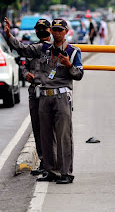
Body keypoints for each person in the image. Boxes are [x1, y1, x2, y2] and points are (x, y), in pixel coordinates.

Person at [4, 17, 84, 184]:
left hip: (62, 96)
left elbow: (79, 75)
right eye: (54, 30)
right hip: (45, 96)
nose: (56, 33)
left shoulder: (73, 51)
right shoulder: (44, 49)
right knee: (46, 136)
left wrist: (69, 65)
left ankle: (65, 173)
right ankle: (51, 170)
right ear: (51, 31)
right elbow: (23, 50)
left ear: (66, 32)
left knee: (63, 136)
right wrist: (8, 36)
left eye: (60, 30)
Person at [23, 19, 52, 176]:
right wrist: (25, 74)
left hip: (49, 92)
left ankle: (52, 164)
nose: (41, 31)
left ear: (49, 30)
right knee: (37, 128)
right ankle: (43, 162)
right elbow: (24, 66)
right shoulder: (32, 50)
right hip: (34, 92)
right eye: (38, 29)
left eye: (43, 28)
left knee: (49, 129)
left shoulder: (53, 48)